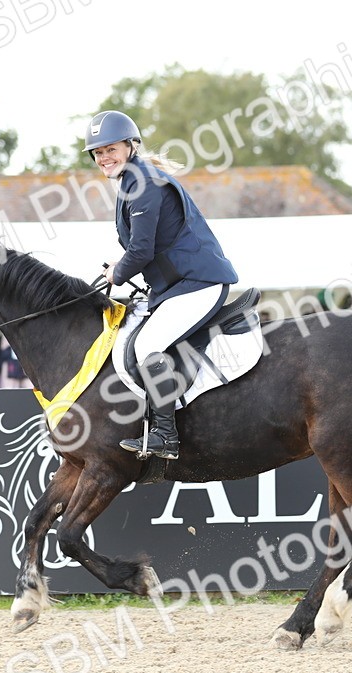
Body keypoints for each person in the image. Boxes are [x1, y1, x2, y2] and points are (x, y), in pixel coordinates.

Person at [87, 110, 238, 460]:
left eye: (110, 149)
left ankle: (166, 437)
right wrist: (119, 266)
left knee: (147, 346)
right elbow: (144, 247)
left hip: (200, 282)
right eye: (98, 153)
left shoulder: (143, 183)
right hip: (176, 287)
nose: (104, 157)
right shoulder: (131, 181)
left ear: (130, 145)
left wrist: (116, 274)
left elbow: (141, 250)